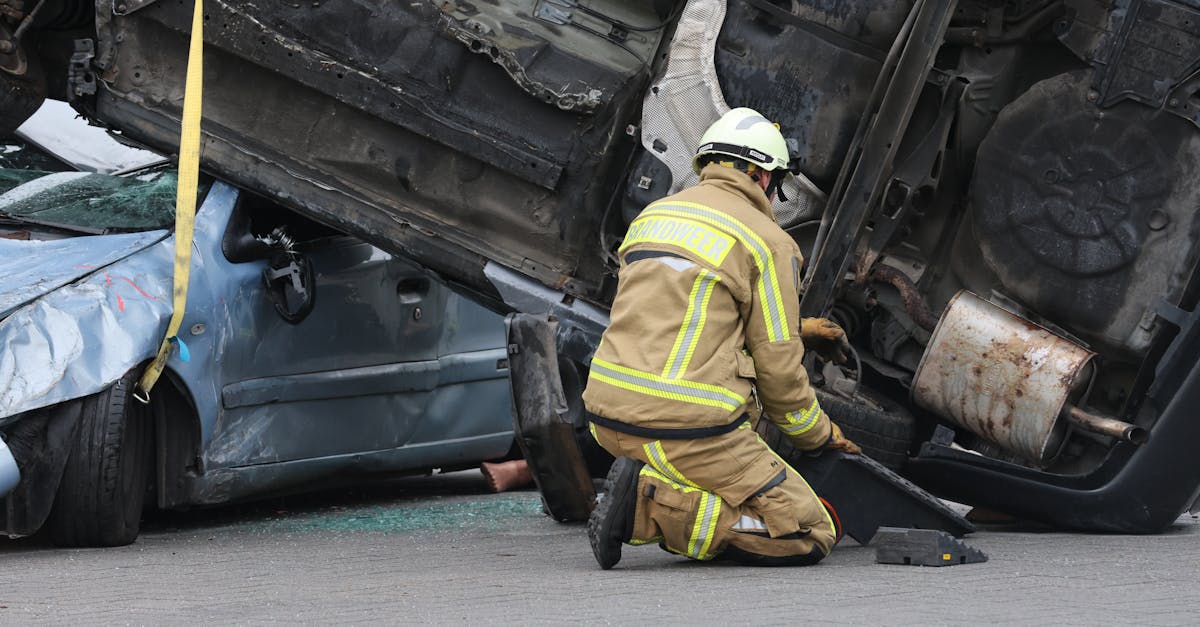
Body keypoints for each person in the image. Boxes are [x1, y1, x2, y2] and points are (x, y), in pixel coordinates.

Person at [582, 107, 860, 569]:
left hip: (606, 419)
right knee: (810, 531)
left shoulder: (653, 216)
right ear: (761, 175)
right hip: (685, 431)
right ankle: (643, 509)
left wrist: (799, 331)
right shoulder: (767, 241)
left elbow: (682, 319)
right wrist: (820, 436)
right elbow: (780, 379)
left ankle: (645, 483)